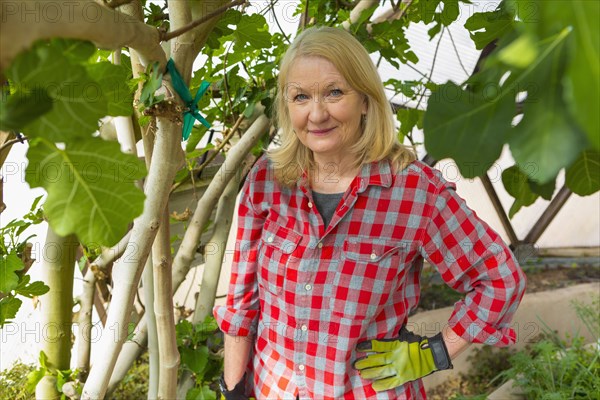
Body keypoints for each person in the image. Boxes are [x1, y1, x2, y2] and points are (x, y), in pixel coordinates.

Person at [213, 26, 527, 399]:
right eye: (300, 97)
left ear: (365, 98)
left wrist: (432, 354)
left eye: (334, 92)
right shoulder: (266, 181)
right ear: (287, 105)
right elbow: (242, 301)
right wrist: (232, 390)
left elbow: (500, 281)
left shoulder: (414, 190)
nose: (316, 114)